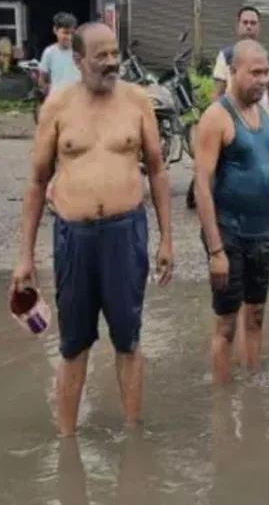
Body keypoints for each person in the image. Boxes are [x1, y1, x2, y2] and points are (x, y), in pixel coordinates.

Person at [10, 22, 174, 437]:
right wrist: (25, 257)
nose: (111, 62)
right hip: (74, 239)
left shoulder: (138, 101)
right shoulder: (57, 106)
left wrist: (167, 239)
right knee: (73, 344)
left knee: (128, 339)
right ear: (78, 60)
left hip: (126, 235)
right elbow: (35, 182)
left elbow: (156, 170)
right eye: (100, 56)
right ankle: (66, 441)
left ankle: (132, 433)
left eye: (114, 53)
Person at [193, 40, 269, 385]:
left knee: (256, 316)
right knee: (225, 324)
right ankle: (223, 409)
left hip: (259, 232)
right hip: (228, 233)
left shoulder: (265, 116)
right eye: (255, 72)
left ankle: (251, 391)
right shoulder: (216, 118)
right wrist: (215, 250)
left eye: (266, 72)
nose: (262, 80)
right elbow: (202, 188)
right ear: (234, 71)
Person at [212, 6, 269, 131]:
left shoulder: (268, 58)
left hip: (262, 124)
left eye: (253, 23)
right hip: (233, 124)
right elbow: (218, 94)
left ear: (259, 27)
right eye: (245, 22)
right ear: (238, 26)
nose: (249, 27)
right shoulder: (226, 56)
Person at [38, 12, 80, 95]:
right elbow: (42, 80)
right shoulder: (49, 53)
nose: (69, 37)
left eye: (72, 33)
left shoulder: (80, 51)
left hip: (77, 100)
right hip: (58, 101)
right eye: (65, 33)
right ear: (55, 30)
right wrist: (50, 92)